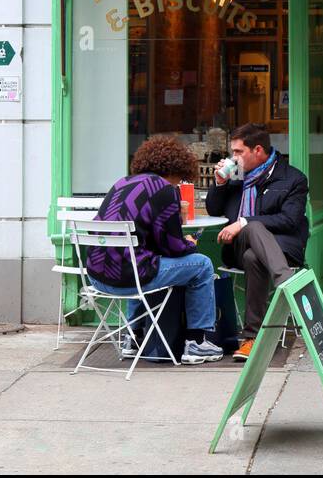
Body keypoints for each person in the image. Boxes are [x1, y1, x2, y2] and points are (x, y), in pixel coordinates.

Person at [87, 135, 224, 364]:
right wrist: (190, 243)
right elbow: (173, 247)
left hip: (97, 277)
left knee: (135, 258)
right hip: (130, 279)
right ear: (177, 167)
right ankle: (196, 343)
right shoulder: (165, 190)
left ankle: (133, 337)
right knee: (202, 265)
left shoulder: (122, 183)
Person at [207, 122, 310, 363]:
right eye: (232, 152)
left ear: (258, 150)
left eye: (238, 152)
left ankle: (251, 338)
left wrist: (244, 222)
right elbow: (213, 209)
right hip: (236, 247)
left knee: (254, 256)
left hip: (281, 248)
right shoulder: (235, 176)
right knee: (251, 229)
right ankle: (287, 283)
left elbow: (290, 220)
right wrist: (220, 185)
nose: (233, 157)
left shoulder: (292, 179)